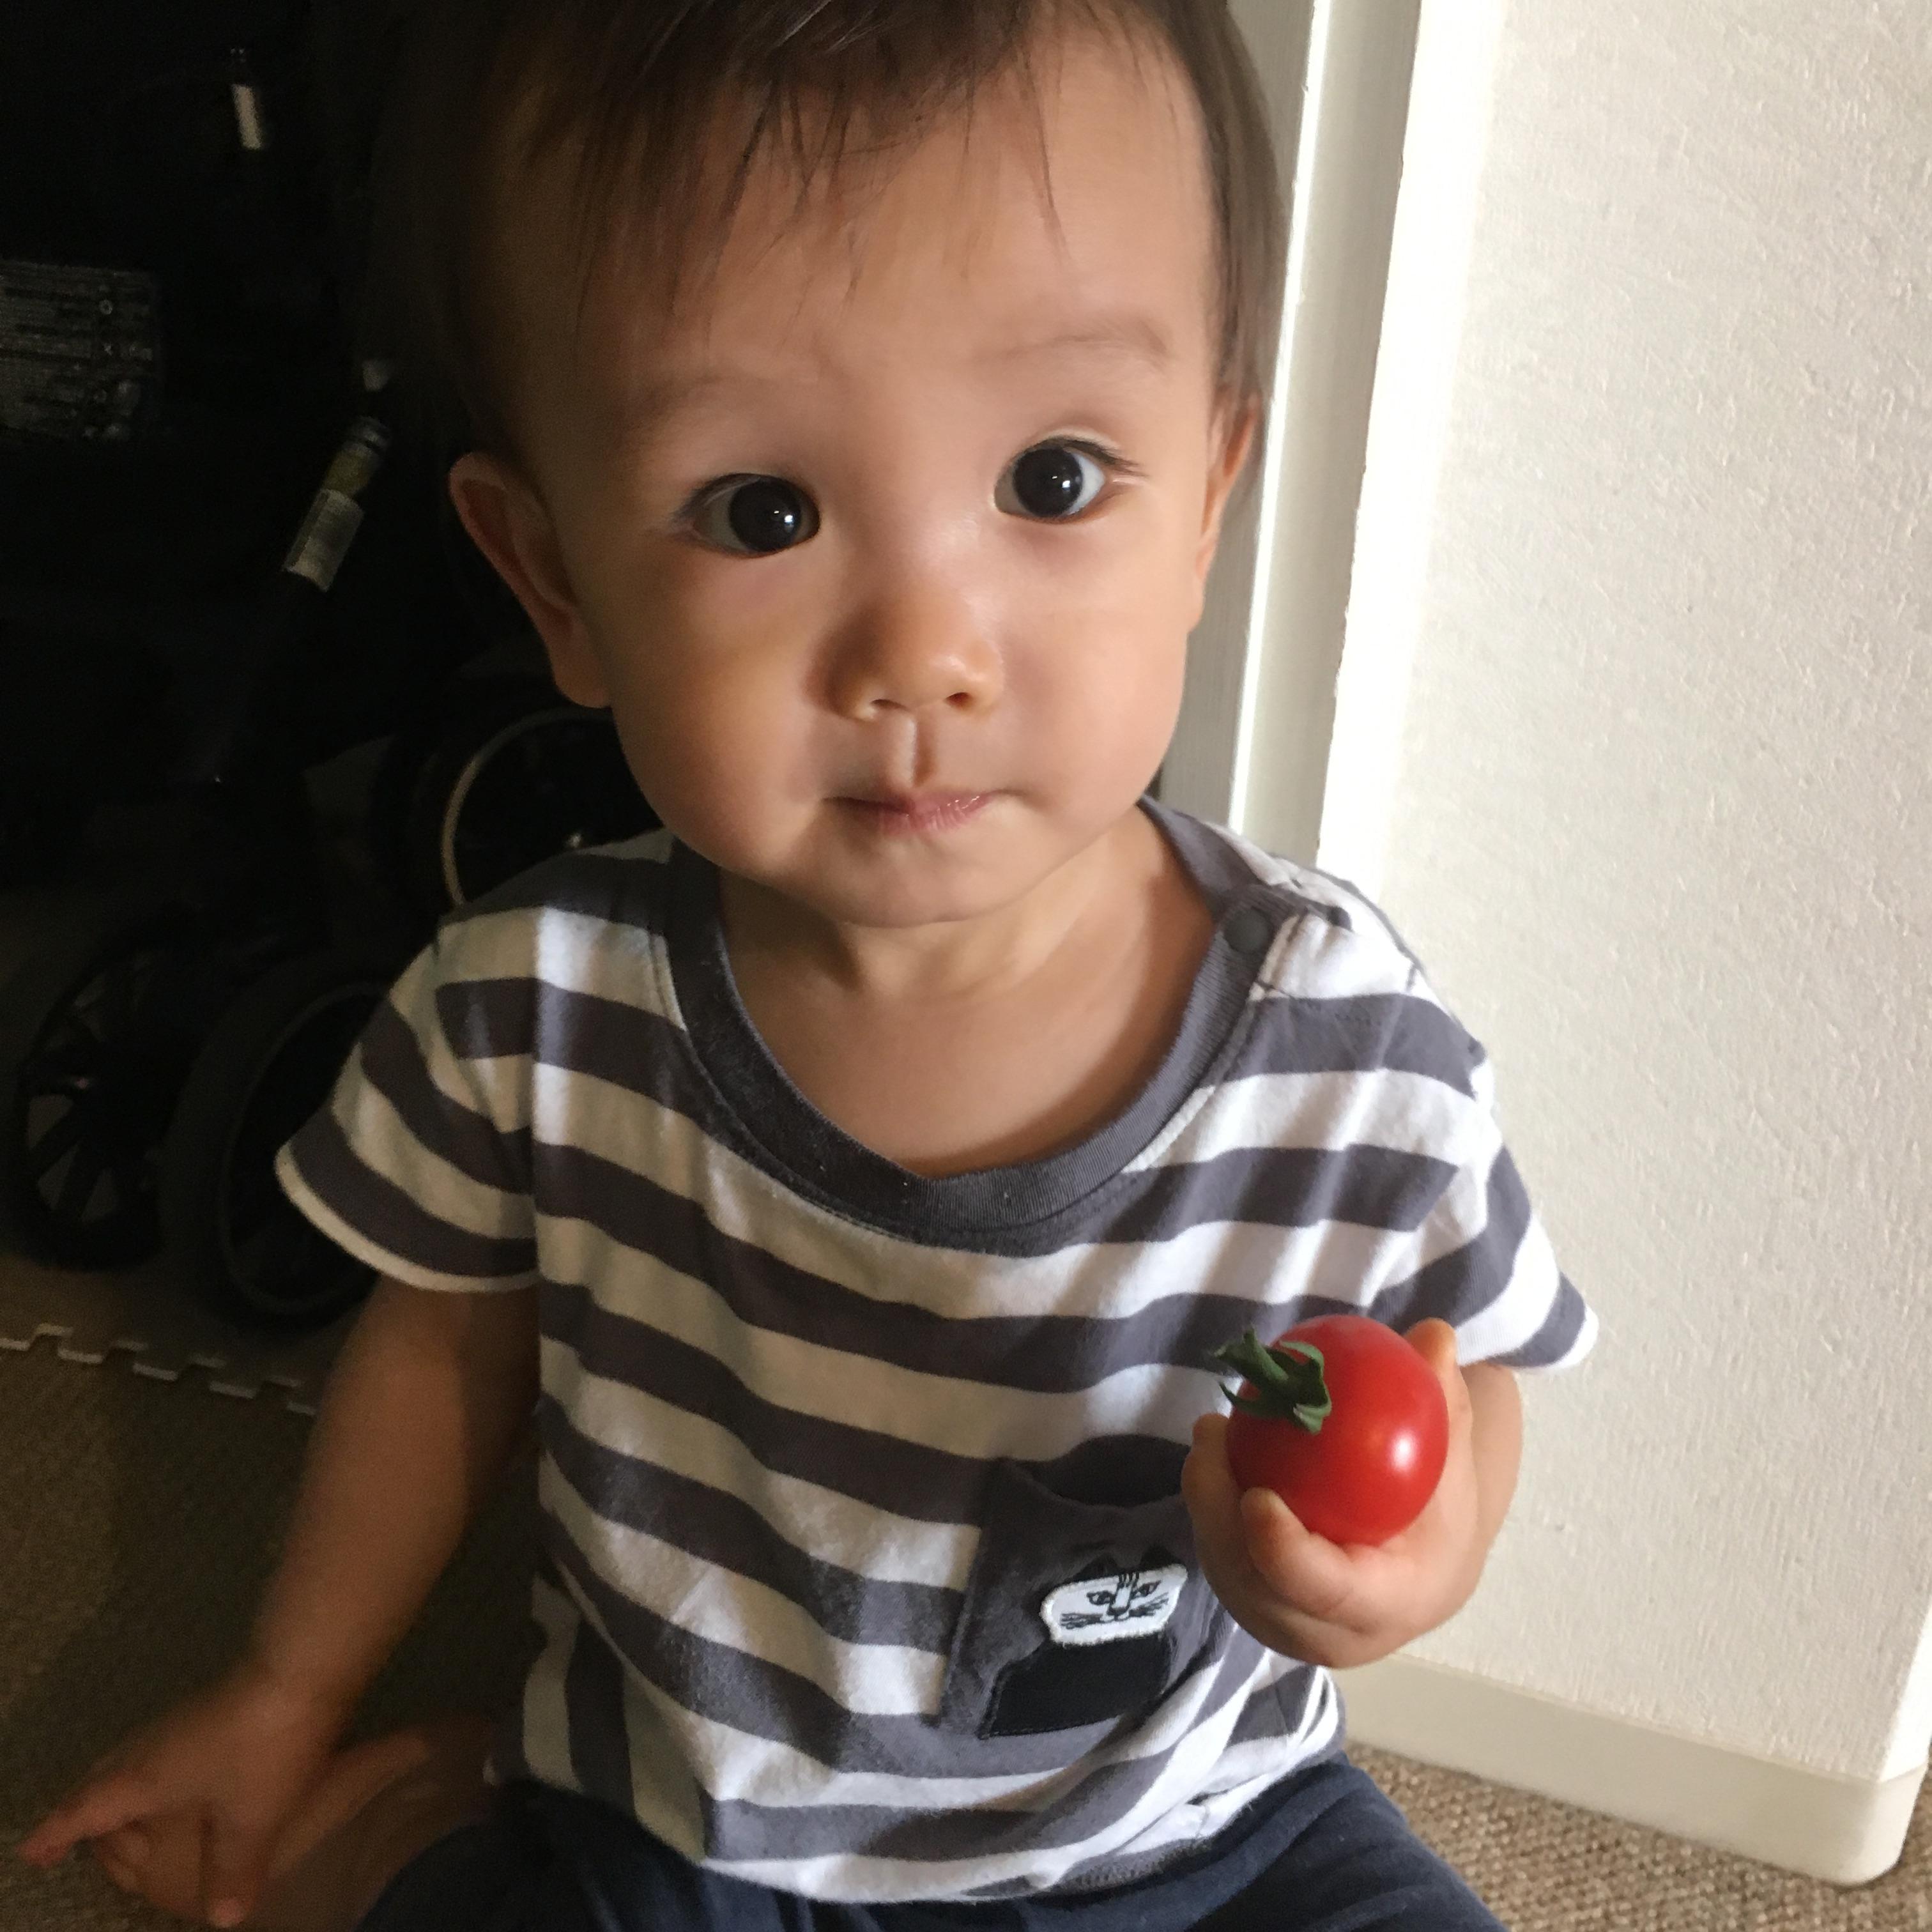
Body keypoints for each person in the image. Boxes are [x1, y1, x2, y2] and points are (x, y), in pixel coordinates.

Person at [17, 2, 1600, 1927]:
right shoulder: (542, 1007)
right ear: (554, 579)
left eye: (1053, 478)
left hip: (1196, 1843)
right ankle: (411, 1818)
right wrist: (286, 1688)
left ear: (1207, 499)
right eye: (762, 513)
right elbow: (440, 1352)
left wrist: (1415, 1558)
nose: (921, 649)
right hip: (702, 1833)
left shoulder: (1343, 1040)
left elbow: (1463, 1372)